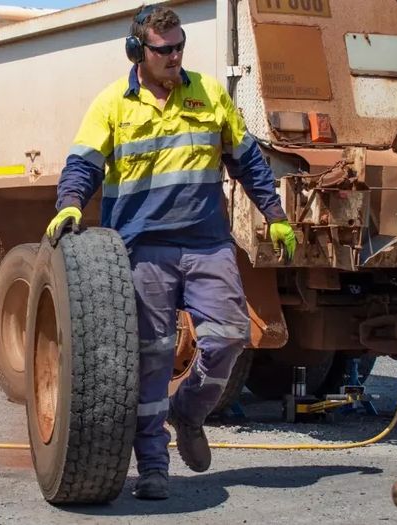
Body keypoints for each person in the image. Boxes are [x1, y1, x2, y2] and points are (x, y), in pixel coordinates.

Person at [44, 5, 297, 500]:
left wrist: (275, 213)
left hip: (207, 243)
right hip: (142, 249)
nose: (174, 57)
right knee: (152, 357)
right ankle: (154, 467)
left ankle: (188, 412)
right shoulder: (112, 104)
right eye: (163, 50)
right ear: (137, 51)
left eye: (180, 47)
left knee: (229, 336)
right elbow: (83, 165)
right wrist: (70, 204)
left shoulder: (209, 94)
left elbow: (248, 161)